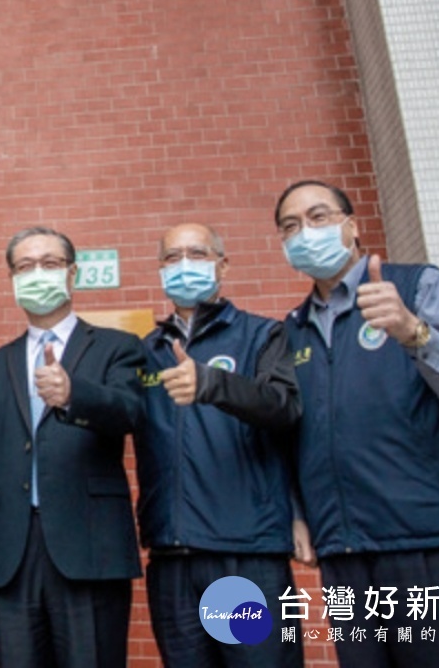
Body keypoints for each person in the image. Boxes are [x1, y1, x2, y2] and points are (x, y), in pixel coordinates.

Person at [275, 179, 439, 667]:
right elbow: (294, 436)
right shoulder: (290, 331)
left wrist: (413, 332)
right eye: (290, 226)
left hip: (434, 545)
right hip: (345, 551)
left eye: (318, 217)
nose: (304, 232)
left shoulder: (418, 287)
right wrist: (298, 513)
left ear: (352, 227)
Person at [0, 226, 146, 668]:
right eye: (25, 267)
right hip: (11, 551)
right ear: (12, 280)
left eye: (49, 263)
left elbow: (132, 412)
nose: (37, 273)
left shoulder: (116, 346)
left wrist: (73, 394)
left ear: (72, 273)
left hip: (90, 545)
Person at [135, 223, 302, 667]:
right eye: (172, 257)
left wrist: (213, 383)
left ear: (222, 264)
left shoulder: (261, 335)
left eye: (197, 253)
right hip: (171, 558)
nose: (183, 265)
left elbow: (284, 408)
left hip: (242, 557)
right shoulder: (147, 351)